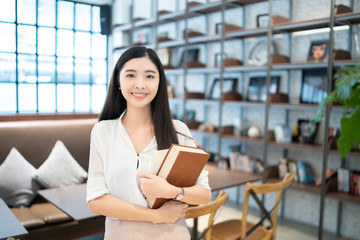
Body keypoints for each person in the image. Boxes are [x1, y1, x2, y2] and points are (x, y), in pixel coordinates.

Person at [86, 46, 212, 239]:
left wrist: (172, 191)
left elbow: (204, 194)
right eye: (130, 75)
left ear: (160, 83)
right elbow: (96, 201)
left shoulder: (179, 131)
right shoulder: (103, 132)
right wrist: (156, 216)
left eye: (150, 76)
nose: (140, 84)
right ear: (118, 81)